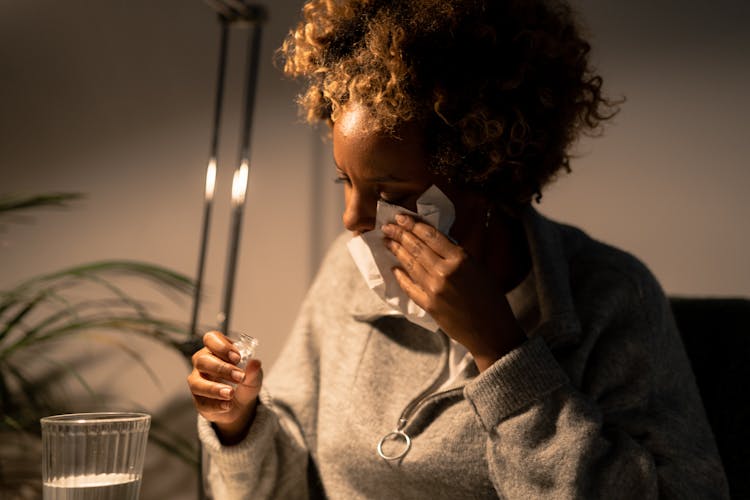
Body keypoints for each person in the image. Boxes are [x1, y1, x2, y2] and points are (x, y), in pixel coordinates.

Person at [187, 0, 729, 498]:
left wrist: (502, 354)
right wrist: (240, 424)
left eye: (390, 194)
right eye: (345, 183)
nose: (353, 219)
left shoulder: (612, 296)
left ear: (490, 171)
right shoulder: (348, 275)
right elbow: (285, 480)